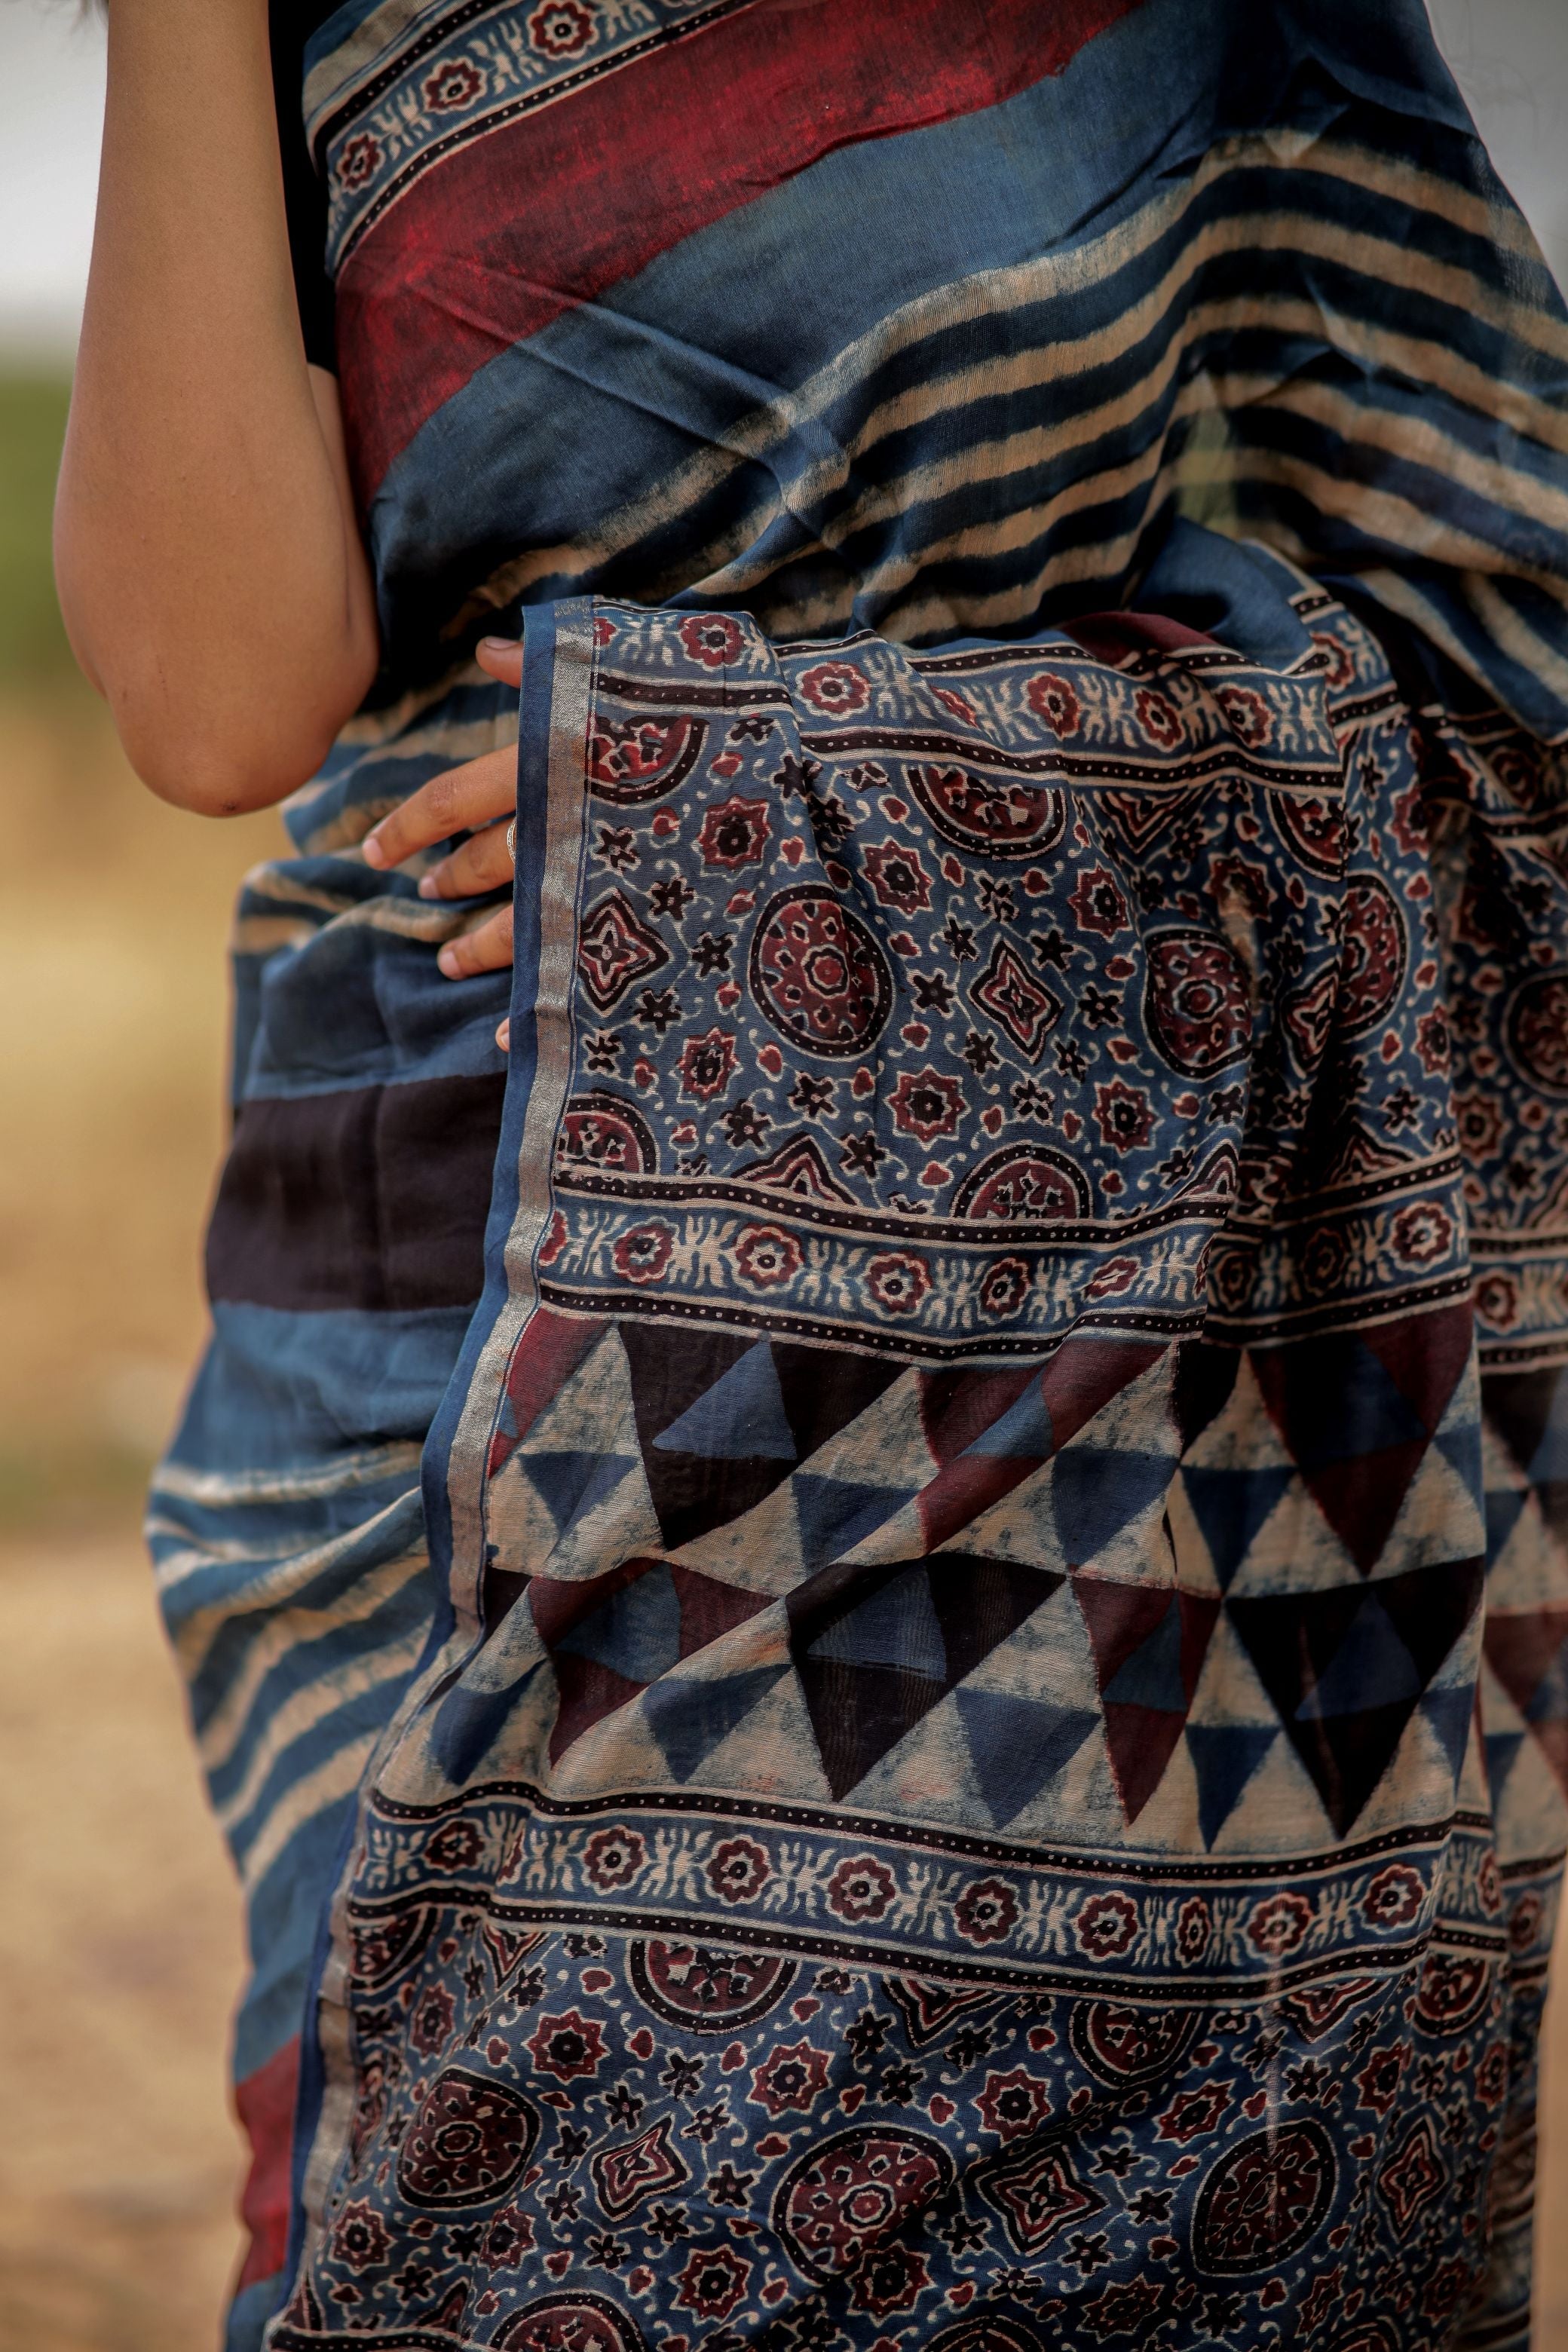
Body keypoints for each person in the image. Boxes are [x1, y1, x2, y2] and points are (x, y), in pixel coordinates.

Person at [56, 2, 1568, 2345]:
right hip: (428, 1268)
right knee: (429, 2220)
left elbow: (1510, 671)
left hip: (1058, 1317)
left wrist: (787, 783)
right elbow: (217, 696)